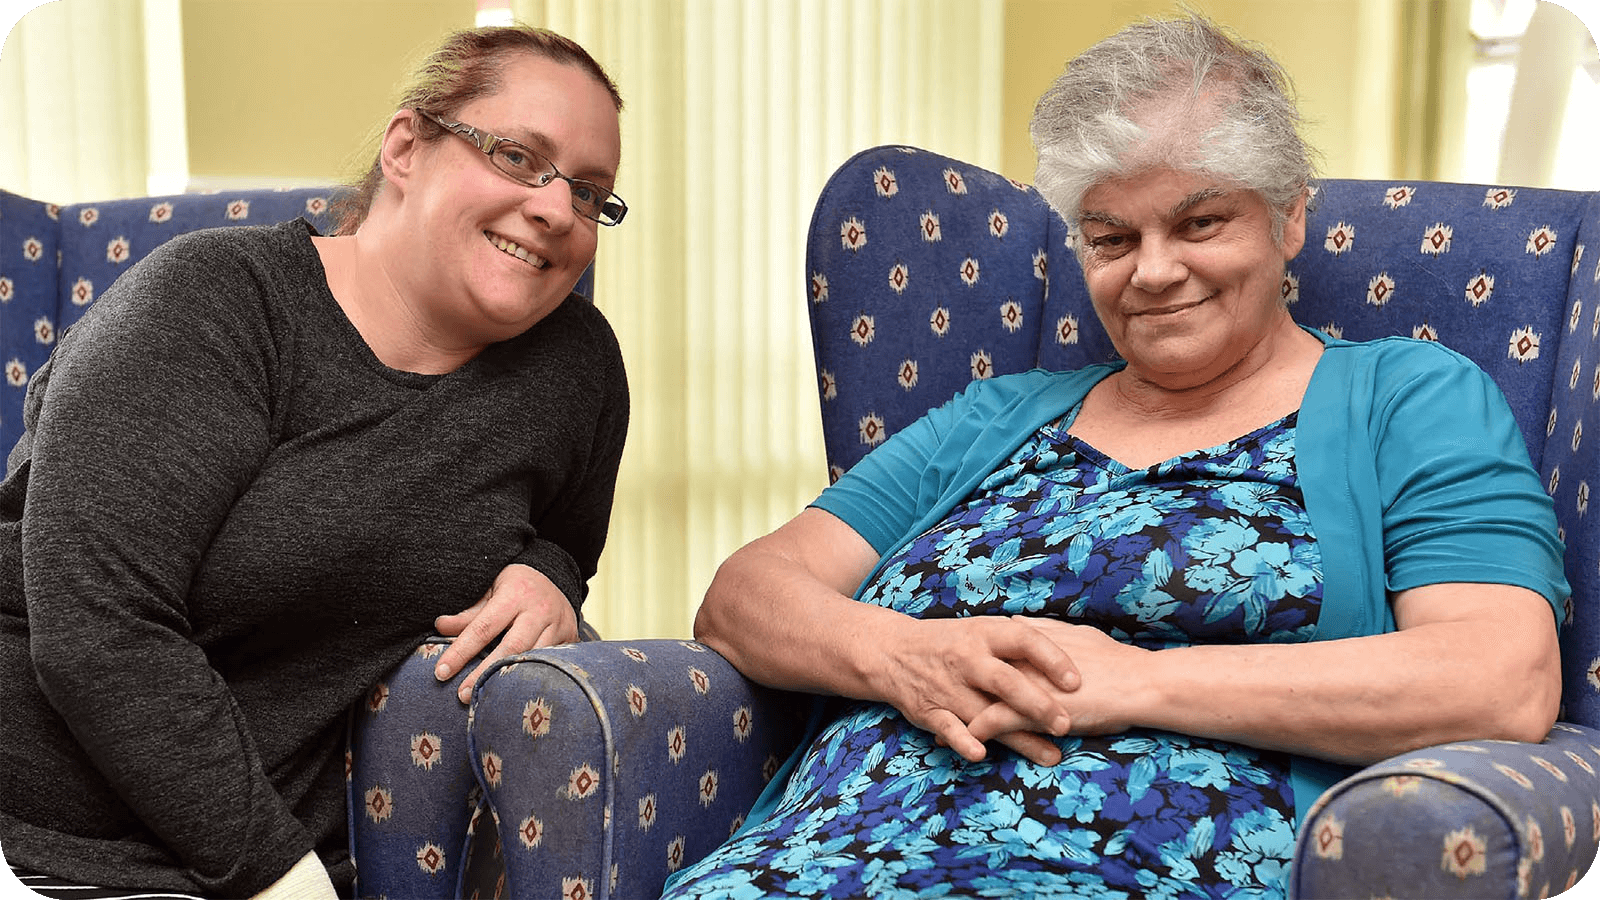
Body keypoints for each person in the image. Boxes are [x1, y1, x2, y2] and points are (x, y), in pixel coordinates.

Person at [664, 12, 1566, 899]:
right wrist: (905, 657)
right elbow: (745, 597)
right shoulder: (993, 417)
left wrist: (1138, 679)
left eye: (1200, 222)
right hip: (807, 866)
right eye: (1111, 238)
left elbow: (1499, 678)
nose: (1153, 271)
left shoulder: (1410, 400)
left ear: (1289, 217)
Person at [0, 24, 629, 900]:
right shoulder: (213, 301)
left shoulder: (579, 370)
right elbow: (98, 627)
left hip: (263, 855)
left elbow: (567, 534)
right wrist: (281, 876)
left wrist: (551, 576)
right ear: (407, 148)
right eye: (520, 156)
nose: (559, 209)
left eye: (593, 194)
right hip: (40, 825)